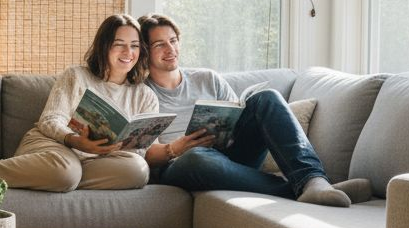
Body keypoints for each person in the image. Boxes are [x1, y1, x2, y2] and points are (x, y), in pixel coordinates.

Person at [137, 13, 369, 207]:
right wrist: (177, 147)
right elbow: (146, 154)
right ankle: (303, 189)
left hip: (228, 155)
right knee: (196, 157)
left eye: (174, 40)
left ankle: (313, 179)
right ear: (146, 52)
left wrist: (225, 134)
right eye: (160, 44)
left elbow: (235, 116)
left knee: (266, 98)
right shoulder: (140, 93)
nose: (171, 48)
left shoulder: (207, 78)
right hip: (182, 164)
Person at [0, 14, 156, 193]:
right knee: (65, 169)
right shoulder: (76, 76)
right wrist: (77, 141)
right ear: (105, 46)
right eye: (119, 44)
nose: (128, 52)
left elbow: (140, 149)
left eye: (134, 45)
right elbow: (51, 120)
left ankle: (55, 179)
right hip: (52, 146)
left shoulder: (145, 95)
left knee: (137, 170)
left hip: (97, 161)